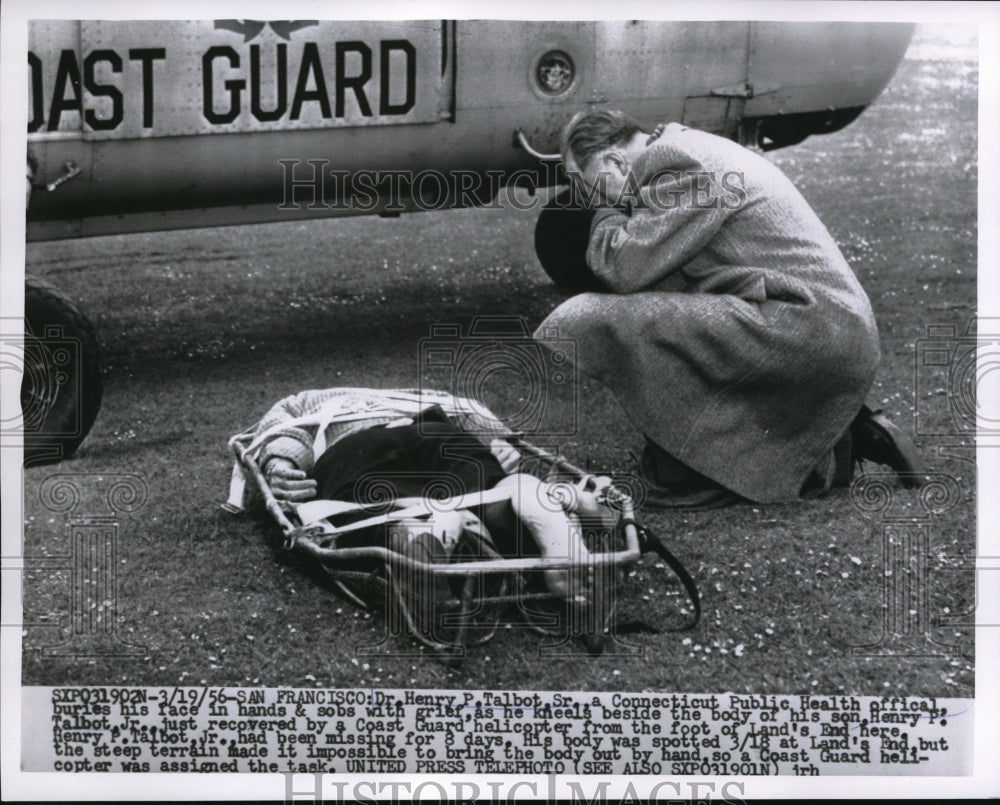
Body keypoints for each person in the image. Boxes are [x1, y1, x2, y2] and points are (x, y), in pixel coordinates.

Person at [533, 110, 923, 509]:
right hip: (816, 323)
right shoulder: (685, 146)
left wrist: (605, 213)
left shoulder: (679, 165)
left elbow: (623, 268)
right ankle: (840, 429)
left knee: (594, 319)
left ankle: (782, 460)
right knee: (663, 301)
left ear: (615, 161)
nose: (584, 194)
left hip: (811, 327)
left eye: (583, 180)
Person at [250, 387, 603, 608]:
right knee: (483, 483)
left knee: (364, 500)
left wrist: (282, 459)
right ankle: (533, 501)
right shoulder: (436, 397)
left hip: (358, 447)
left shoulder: (316, 399)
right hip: (432, 430)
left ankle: (417, 532)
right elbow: (475, 417)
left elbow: (280, 422)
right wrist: (496, 443)